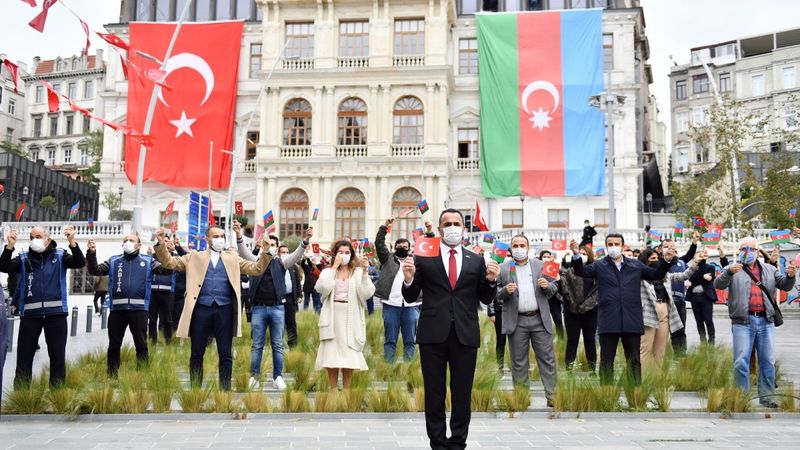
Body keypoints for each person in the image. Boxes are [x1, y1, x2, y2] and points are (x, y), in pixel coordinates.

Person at [401, 208, 500, 450]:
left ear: (464, 229)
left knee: (462, 392)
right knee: (434, 393)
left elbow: (485, 299)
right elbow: (411, 295)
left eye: (457, 223)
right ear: (439, 227)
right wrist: (408, 278)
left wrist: (490, 281)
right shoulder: (424, 257)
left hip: (465, 334)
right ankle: (437, 442)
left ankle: (457, 442)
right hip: (433, 333)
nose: (453, 227)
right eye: (448, 223)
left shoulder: (475, 260)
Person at [153, 227, 272, 390]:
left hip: (225, 310)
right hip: (201, 309)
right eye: (216, 236)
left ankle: (225, 390)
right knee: (197, 352)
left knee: (225, 353)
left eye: (222, 236)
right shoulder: (194, 257)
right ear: (207, 239)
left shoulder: (233, 258)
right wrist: (161, 244)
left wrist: (266, 251)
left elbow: (256, 269)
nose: (220, 239)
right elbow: (169, 262)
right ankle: (196, 389)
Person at [571, 233, 674, 385]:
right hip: (609, 319)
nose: (614, 247)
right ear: (606, 247)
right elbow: (582, 272)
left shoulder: (635, 265)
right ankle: (607, 393)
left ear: (623, 246)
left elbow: (655, 274)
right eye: (610, 244)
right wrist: (576, 256)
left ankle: (635, 393)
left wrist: (666, 260)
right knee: (606, 360)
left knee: (634, 360)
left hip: (631, 319)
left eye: (616, 244)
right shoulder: (599, 265)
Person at [714, 237, 796, 408]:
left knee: (767, 360)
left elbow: (785, 286)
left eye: (751, 249)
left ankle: (767, 397)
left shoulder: (769, 269)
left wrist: (790, 276)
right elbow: (718, 284)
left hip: (766, 320)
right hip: (742, 321)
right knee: (741, 360)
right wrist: (728, 272)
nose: (747, 252)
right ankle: (742, 398)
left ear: (758, 252)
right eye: (743, 248)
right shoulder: (733, 269)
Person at [0, 226, 84, 388]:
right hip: (30, 316)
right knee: (24, 358)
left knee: (57, 357)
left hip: (56, 315)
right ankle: (22, 396)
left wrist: (72, 241)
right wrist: (9, 246)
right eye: (32, 237)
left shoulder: (60, 256)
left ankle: (57, 395)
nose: (34, 239)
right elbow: (3, 266)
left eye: (38, 236)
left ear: (48, 239)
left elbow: (79, 262)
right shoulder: (24, 258)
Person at [237, 227, 311, 390]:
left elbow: (296, 255)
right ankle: (254, 376)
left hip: (277, 308)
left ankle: (278, 376)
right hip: (258, 309)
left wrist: (305, 241)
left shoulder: (281, 262)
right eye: (266, 244)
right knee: (257, 345)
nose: (269, 246)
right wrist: (239, 236)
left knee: (277, 344)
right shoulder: (255, 260)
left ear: (276, 248)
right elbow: (243, 252)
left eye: (271, 244)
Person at [87, 234, 170, 376]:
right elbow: (95, 270)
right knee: (114, 345)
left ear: (139, 245)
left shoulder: (148, 261)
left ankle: (142, 375)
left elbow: (167, 269)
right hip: (117, 311)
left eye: (131, 240)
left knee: (141, 345)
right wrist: (91, 253)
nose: (128, 243)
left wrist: (162, 247)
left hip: (139, 311)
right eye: (125, 241)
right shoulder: (113, 261)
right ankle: (112, 375)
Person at [496, 234, 558, 406]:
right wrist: (505, 292)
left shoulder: (541, 265)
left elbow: (554, 288)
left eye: (522, 245)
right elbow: (496, 294)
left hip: (539, 319)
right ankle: (522, 398)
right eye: (515, 245)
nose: (519, 248)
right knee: (518, 362)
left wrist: (547, 286)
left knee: (547, 360)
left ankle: (553, 398)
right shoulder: (503, 268)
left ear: (528, 248)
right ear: (511, 248)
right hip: (517, 321)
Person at [314, 240, 375, 389]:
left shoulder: (357, 272)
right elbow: (322, 288)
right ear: (335, 254)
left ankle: (348, 392)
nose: (344, 255)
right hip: (332, 317)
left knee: (349, 356)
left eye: (347, 253)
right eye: (341, 252)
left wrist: (365, 272)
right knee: (331, 356)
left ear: (352, 255)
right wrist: (334, 267)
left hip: (351, 317)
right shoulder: (328, 272)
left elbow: (366, 293)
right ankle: (333, 391)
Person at [638, 248, 703, 366]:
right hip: (647, 315)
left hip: (665, 314)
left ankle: (656, 380)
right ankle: (641, 380)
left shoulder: (666, 275)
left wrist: (695, 263)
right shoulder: (640, 276)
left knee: (660, 350)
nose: (656, 261)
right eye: (652, 259)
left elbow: (683, 276)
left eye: (657, 258)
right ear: (645, 261)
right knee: (644, 349)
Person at [374, 217, 421, 363]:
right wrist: (385, 226)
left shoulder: (416, 261)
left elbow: (430, 250)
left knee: (410, 341)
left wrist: (430, 232)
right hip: (391, 305)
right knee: (390, 341)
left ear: (409, 248)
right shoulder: (387, 258)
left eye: (405, 246)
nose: (402, 247)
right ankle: (388, 369)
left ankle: (409, 369)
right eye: (399, 245)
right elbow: (379, 243)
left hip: (411, 306)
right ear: (395, 248)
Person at [561, 242, 599, 372]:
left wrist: (586, 306)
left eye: (584, 254)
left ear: (589, 256)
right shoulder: (568, 272)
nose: (582, 256)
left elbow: (597, 293)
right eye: (579, 254)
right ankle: (569, 367)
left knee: (590, 340)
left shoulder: (596, 272)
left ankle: (592, 367)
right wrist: (574, 305)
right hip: (572, 311)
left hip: (591, 311)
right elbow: (566, 291)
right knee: (572, 340)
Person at [659, 234, 698, 355]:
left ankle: (681, 355)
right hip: (665, 302)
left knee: (680, 330)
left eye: (672, 246)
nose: (669, 248)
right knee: (662, 331)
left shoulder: (681, 262)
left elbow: (690, 258)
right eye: (666, 246)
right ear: (661, 249)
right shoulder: (659, 264)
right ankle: (661, 355)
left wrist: (694, 243)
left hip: (680, 301)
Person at [686, 243, 727, 345]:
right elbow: (691, 277)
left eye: (702, 254)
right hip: (694, 297)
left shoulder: (710, 267)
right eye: (698, 254)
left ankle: (712, 341)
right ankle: (703, 341)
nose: (700, 256)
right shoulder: (691, 268)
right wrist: (701, 277)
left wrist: (697, 278)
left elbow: (708, 279)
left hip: (706, 297)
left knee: (708, 320)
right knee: (698, 321)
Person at [148, 240, 177, 345]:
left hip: (168, 292)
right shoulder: (152, 257)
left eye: (169, 242)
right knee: (152, 319)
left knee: (168, 319)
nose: (167, 243)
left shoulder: (174, 257)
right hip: (153, 291)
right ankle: (152, 342)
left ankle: (169, 342)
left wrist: (174, 249)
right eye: (165, 241)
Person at [278, 244, 304, 349]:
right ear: (278, 253)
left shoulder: (293, 266)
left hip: (290, 298)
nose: (285, 254)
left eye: (287, 252)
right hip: (278, 298)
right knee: (279, 322)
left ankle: (293, 344)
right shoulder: (276, 265)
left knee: (291, 322)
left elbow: (296, 281)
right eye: (283, 252)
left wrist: (299, 295)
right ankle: (279, 343)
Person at [538, 250, 564, 339]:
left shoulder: (555, 268)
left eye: (548, 257)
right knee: (543, 321)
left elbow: (560, 284)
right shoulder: (537, 269)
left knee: (558, 321)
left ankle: (561, 339)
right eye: (544, 256)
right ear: (540, 258)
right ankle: (545, 339)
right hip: (542, 299)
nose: (546, 258)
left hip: (554, 299)